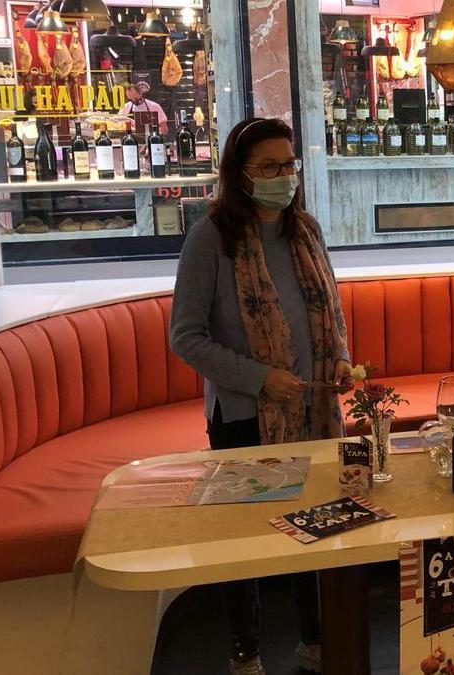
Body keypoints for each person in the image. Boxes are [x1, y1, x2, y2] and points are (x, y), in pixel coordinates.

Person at [170, 117, 353, 675]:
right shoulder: (212, 238)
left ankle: (315, 641)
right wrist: (258, 378)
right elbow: (186, 336)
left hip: (313, 409)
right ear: (241, 175)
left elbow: (330, 307)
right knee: (242, 542)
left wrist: (341, 356)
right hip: (244, 416)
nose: (283, 177)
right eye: (269, 167)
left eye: (289, 165)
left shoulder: (306, 231)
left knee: (317, 526)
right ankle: (245, 650)